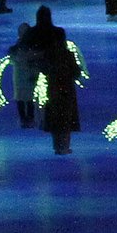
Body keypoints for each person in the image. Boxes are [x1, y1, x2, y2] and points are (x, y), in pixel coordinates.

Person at [40, 18, 81, 154]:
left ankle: (57, 145)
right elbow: (76, 72)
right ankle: (65, 145)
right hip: (67, 89)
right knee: (66, 117)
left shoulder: (49, 55)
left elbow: (44, 69)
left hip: (52, 89)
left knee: (55, 116)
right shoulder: (68, 55)